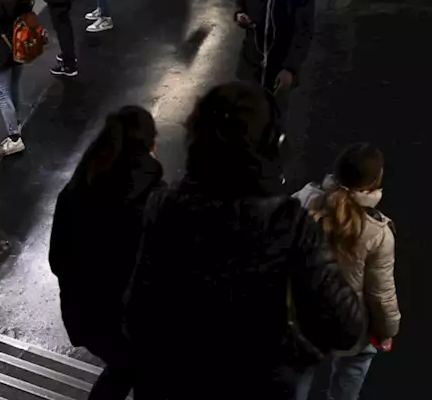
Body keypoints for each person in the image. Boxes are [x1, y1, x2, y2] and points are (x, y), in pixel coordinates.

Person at [124, 82, 365, 399]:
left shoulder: (163, 208)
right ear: (273, 145)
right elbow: (346, 327)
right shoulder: (289, 224)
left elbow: (135, 317)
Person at [50, 106, 163, 400]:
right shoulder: (156, 203)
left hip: (85, 317)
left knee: (124, 366)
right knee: (141, 369)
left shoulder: (75, 191)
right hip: (133, 325)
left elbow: (57, 260)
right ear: (150, 146)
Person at [293, 144, 400, 400]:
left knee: (299, 369)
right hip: (350, 322)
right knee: (356, 363)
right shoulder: (377, 233)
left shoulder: (305, 199)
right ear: (374, 183)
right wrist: (387, 331)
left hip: (304, 313)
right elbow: (380, 293)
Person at [234, 0, 314, 124]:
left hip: (279, 72)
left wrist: (290, 69)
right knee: (245, 118)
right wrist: (240, 16)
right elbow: (239, 5)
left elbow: (303, 33)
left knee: (275, 119)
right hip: (251, 66)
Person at [0, 0, 35, 157]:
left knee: (2, 93)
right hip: (21, 47)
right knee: (14, 85)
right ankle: (15, 122)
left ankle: (14, 137)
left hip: (2, 52)